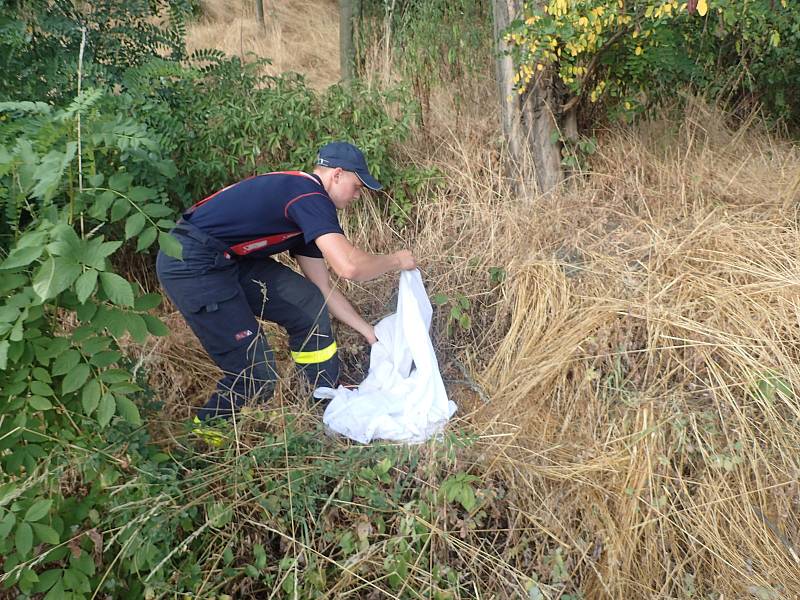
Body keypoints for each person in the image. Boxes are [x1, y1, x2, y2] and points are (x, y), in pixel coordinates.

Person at [156, 141, 416, 438]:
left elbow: (323, 288)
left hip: (229, 260)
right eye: (357, 186)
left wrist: (369, 332)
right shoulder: (308, 195)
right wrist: (396, 260)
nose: (358, 196)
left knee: (307, 302)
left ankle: (322, 399)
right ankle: (204, 438)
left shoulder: (307, 208)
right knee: (256, 375)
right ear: (337, 174)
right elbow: (349, 267)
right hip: (191, 262)